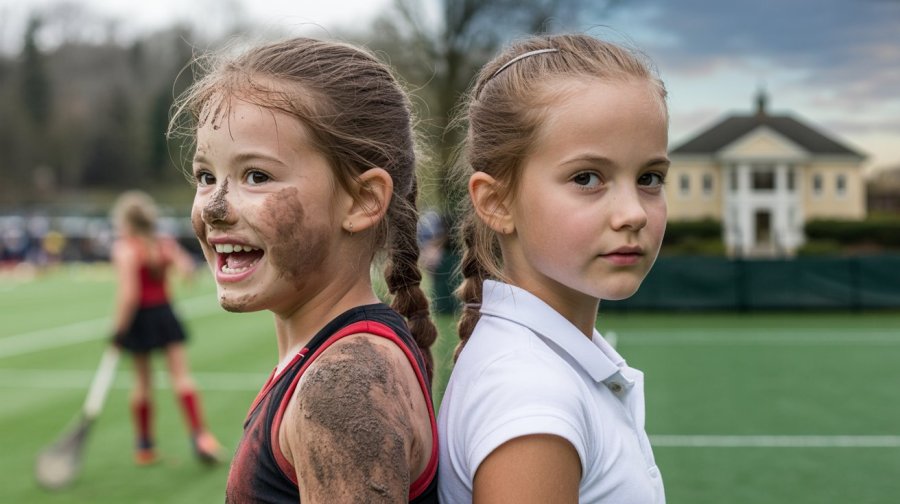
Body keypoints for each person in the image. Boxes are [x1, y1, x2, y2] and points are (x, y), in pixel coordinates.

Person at [168, 37, 439, 503]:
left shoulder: (342, 386)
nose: (213, 208)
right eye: (206, 176)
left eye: (257, 176)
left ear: (361, 200)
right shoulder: (331, 363)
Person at [438, 33, 670, 503]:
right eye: (587, 178)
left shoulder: (545, 365)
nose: (634, 213)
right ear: (497, 202)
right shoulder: (530, 393)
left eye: (650, 178)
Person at [109, 190, 223, 465]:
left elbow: (129, 294)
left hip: (140, 318)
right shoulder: (163, 243)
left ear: (125, 221)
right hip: (165, 313)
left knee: (142, 383)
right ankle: (200, 436)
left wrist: (118, 330)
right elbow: (188, 270)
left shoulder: (126, 248)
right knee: (182, 377)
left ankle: (145, 445)